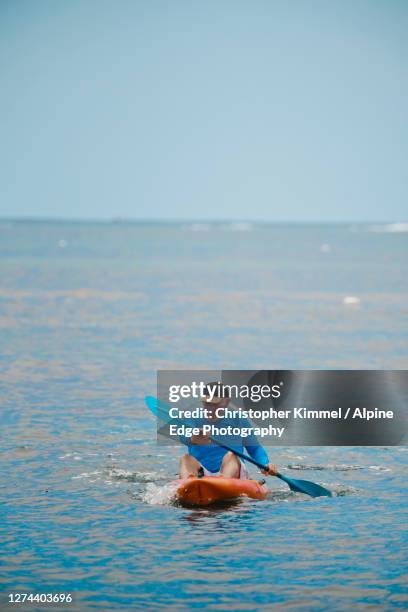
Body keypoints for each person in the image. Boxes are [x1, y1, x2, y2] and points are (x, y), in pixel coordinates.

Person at [179, 383, 277, 479]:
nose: (209, 409)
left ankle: (222, 482)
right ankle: (187, 484)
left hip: (231, 471)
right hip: (201, 472)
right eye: (206, 403)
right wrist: (193, 438)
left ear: (226, 402)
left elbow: (254, 449)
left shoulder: (238, 420)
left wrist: (264, 464)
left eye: (214, 404)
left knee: (231, 455)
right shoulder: (192, 418)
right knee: (185, 459)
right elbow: (183, 437)